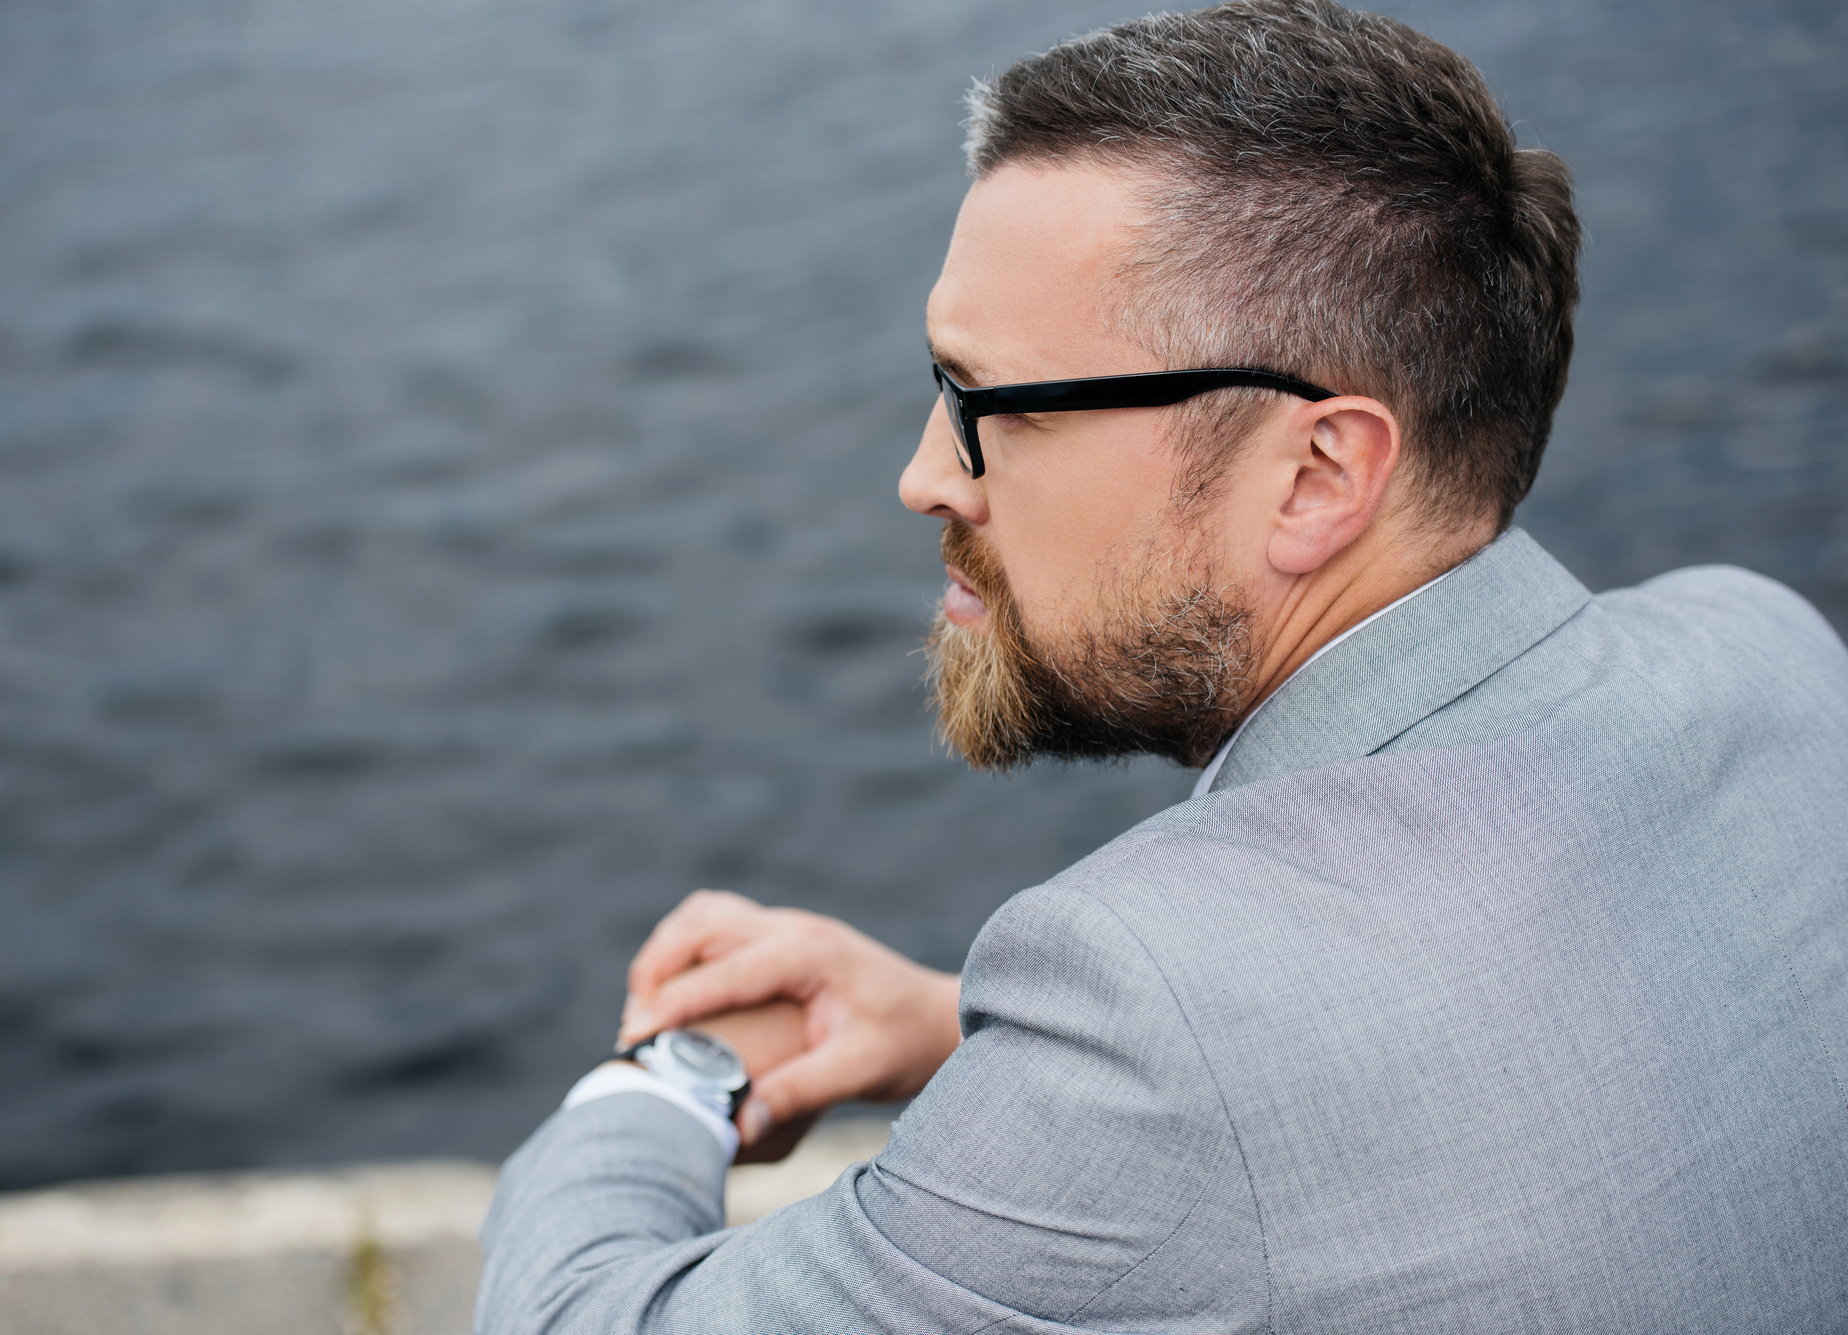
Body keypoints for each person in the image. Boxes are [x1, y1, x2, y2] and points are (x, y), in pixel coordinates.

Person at [475, 2, 1848, 1330]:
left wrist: (672, 1081)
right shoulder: (1765, 656)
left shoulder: (1157, 1012)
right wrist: (962, 1034)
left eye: (989, 405)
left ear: (1316, 476)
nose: (922, 477)